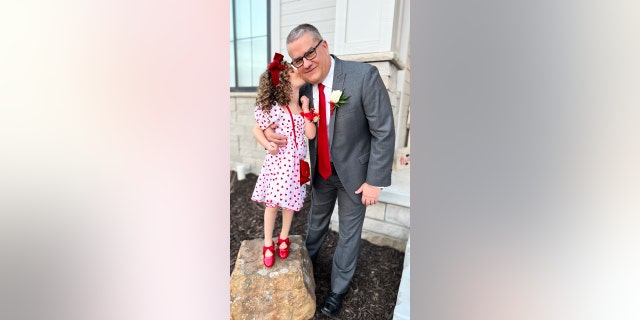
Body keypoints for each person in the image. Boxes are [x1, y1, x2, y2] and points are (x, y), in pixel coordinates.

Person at [264, 24, 395, 317]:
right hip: (321, 174)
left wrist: (375, 181)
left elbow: (383, 131)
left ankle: (337, 289)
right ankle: (302, 268)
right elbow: (276, 110)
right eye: (297, 59)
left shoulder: (364, 77)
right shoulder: (302, 85)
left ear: (323, 45)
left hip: (356, 178)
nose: (305, 62)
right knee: (315, 225)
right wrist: (268, 134)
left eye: (309, 52)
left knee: (349, 234)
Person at [251, 52, 316, 268]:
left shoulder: (301, 106)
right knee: (273, 205)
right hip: (279, 165)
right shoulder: (275, 109)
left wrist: (306, 111)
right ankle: (268, 242)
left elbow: (311, 135)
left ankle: (284, 236)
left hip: (297, 166)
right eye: (290, 71)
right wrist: (266, 143)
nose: (296, 71)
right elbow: (258, 130)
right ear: (282, 84)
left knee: (290, 205)